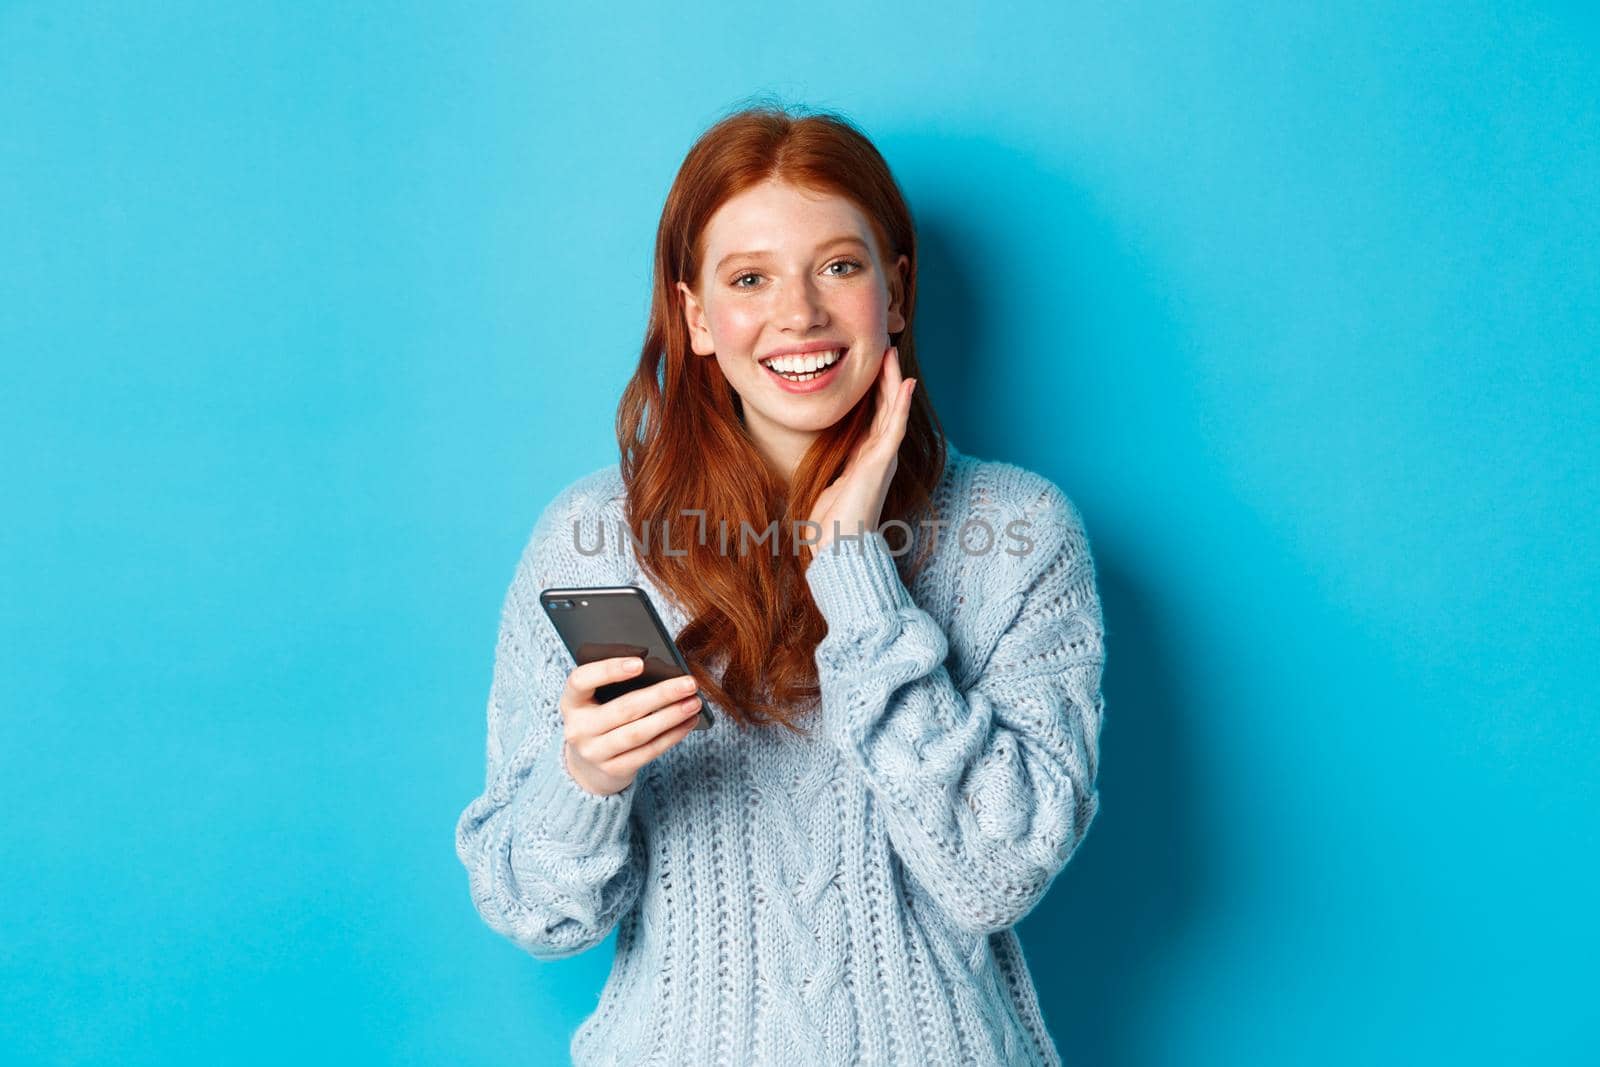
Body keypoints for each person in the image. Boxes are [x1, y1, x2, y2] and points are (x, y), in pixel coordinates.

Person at [454, 102, 1107, 1067]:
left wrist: (855, 572)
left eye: (838, 266)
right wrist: (582, 777)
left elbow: (997, 873)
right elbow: (535, 911)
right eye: (750, 277)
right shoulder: (594, 540)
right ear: (696, 316)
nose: (798, 313)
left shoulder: (1020, 535)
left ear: (898, 287)